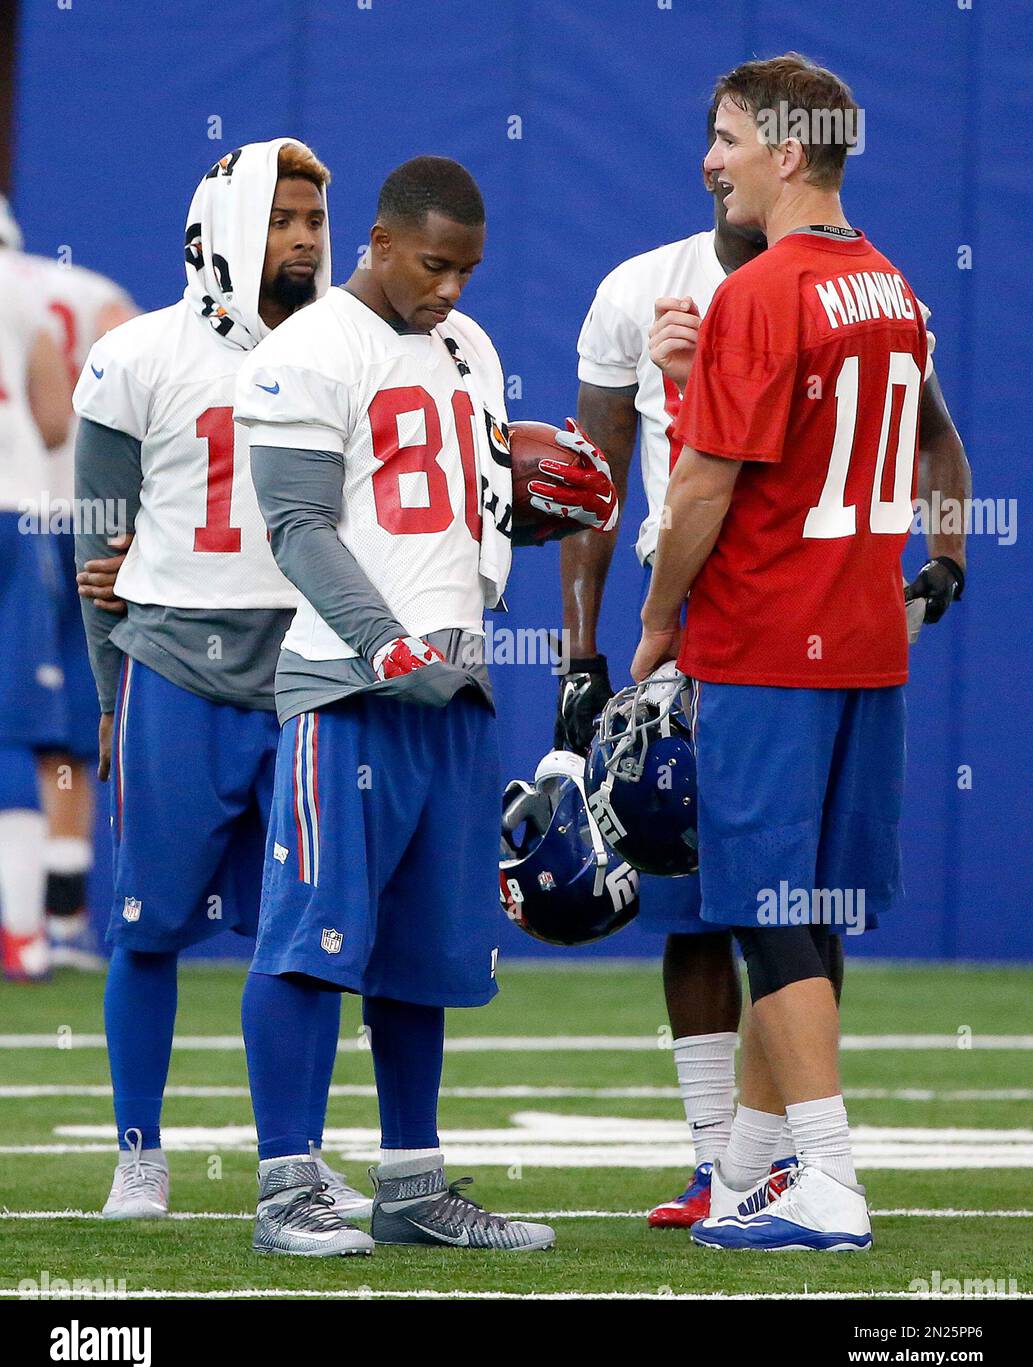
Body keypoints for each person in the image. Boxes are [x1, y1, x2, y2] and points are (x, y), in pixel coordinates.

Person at [562, 103, 969, 1227]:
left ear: (786, 152)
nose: (709, 162)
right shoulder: (888, 283)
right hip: (861, 636)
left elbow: (702, 485)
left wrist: (650, 624)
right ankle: (748, 1170)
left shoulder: (758, 289)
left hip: (761, 634)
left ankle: (828, 1177)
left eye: (730, 140)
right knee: (806, 906)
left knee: (763, 906)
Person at [235, 155, 618, 1256]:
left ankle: (410, 1184)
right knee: (311, 939)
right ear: (381, 241)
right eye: (434, 263)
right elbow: (299, 524)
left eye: (469, 268)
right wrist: (385, 642)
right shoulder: (309, 345)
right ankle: (287, 1190)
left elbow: (464, 510)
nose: (451, 286)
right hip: (349, 687)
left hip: (454, 681)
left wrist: (524, 516)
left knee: (428, 952)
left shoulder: (471, 346)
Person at [73, 139, 367, 1221]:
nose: (304, 239)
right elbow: (97, 544)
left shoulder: (351, 349)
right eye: (282, 218)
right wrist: (109, 696)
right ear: (220, 231)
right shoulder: (137, 354)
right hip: (175, 667)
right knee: (147, 924)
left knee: (307, 933)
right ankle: (139, 1150)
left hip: (306, 671)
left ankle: (293, 1156)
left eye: (313, 221)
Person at [13, 228, 138, 967]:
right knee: (74, 718)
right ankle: (61, 917)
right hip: (81, 517)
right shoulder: (90, 290)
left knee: (17, 723)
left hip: (21, 515)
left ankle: (24, 918)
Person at [0, 198, 72, 981]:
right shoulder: (24, 289)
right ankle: (24, 929)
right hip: (15, 509)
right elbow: (54, 420)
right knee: (11, 727)